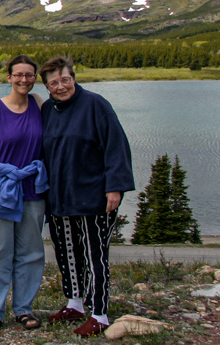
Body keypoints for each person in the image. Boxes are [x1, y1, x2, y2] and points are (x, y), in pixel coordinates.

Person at [39, 55, 134, 338]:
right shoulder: (48, 111)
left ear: (74, 79)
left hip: (93, 195)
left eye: (65, 79)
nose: (61, 86)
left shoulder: (96, 105)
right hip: (59, 197)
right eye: (53, 82)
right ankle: (75, 303)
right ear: (47, 87)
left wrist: (114, 187)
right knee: (67, 252)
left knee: (95, 257)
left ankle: (100, 313)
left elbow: (116, 147)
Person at [0, 54, 49, 335]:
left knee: (30, 252)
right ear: (9, 77)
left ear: (34, 77)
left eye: (29, 75)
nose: (24, 80)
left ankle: (24, 309)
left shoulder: (40, 104)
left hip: (32, 189)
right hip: (0, 190)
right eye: (19, 75)